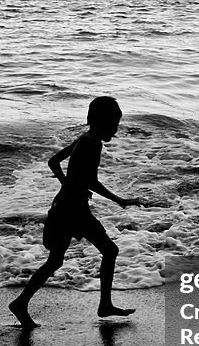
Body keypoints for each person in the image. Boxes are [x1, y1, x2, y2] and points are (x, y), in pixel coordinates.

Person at [9, 96, 145, 328]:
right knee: (109, 251)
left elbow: (54, 161)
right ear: (104, 121)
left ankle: (21, 303)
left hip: (64, 207)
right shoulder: (93, 143)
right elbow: (91, 180)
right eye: (115, 122)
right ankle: (104, 305)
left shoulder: (84, 138)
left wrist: (67, 184)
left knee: (56, 262)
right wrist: (120, 200)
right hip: (73, 212)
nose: (116, 128)